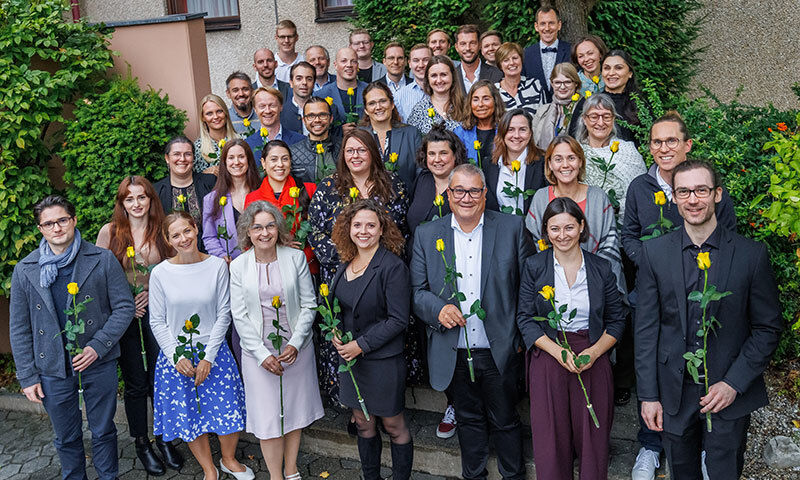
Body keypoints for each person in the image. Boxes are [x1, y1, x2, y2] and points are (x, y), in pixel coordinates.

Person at [635, 160, 782, 479]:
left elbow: (768, 328)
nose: (693, 199)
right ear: (673, 197)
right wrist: (648, 395)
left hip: (727, 393)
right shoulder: (654, 254)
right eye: (684, 191)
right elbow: (646, 330)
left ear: (717, 194)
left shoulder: (751, 255)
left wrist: (734, 383)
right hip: (673, 393)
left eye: (701, 190)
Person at [623, 112, 736, 480]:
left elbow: (728, 244)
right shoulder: (640, 187)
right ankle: (650, 446)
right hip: (656, 294)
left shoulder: (709, 189)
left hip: (704, 296)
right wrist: (656, 263)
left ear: (687, 145)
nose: (664, 147)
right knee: (657, 368)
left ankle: (705, 450)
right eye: (657, 141)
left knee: (700, 371)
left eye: (672, 141)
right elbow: (628, 236)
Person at [410, 163, 534, 480]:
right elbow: (417, 292)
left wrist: (519, 339)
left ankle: (513, 475)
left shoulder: (512, 228)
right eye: (459, 190)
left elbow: (527, 287)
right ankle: (474, 475)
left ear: (484, 194)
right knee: (468, 419)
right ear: (448, 194)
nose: (467, 197)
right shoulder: (427, 234)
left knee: (506, 420)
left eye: (474, 190)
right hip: (454, 349)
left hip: (499, 347)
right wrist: (437, 309)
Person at [10, 195, 135, 480]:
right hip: (52, 366)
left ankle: (108, 476)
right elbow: (19, 327)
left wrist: (98, 346)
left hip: (97, 362)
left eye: (62, 220)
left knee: (103, 430)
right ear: (40, 229)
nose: (57, 228)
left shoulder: (101, 259)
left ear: (74, 220)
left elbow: (124, 307)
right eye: (49, 223)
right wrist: (27, 376)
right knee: (66, 436)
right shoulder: (25, 270)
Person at [516, 196, 625, 480]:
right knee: (551, 441)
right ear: (546, 232)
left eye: (568, 227)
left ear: (581, 227)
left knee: (594, 440)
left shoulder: (601, 268)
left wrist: (593, 353)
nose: (562, 235)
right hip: (549, 354)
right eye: (554, 229)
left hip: (592, 353)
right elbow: (525, 319)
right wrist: (558, 352)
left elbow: (616, 320)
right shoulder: (534, 267)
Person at [309, 129, 409, 407]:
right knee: (344, 333)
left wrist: (374, 260)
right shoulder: (329, 187)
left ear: (373, 153)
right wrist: (349, 257)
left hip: (381, 273)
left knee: (379, 329)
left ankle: (381, 402)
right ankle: (352, 406)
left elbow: (400, 228)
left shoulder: (392, 185)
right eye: (349, 150)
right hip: (341, 271)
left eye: (362, 149)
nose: (355, 155)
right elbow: (316, 230)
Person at [149, 211, 252, 480]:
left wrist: (208, 357)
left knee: (226, 409)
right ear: (167, 239)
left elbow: (224, 313)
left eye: (187, 231)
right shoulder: (160, 273)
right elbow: (157, 321)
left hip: (213, 351)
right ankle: (209, 468)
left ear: (195, 229)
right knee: (188, 414)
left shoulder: (217, 266)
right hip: (177, 357)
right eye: (175, 235)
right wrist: (175, 356)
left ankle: (229, 459)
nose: (183, 238)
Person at [230, 201, 324, 480]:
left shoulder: (295, 259)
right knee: (268, 417)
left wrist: (296, 343)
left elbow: (309, 304)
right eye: (257, 227)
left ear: (278, 228)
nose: (264, 232)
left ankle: (292, 469)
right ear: (248, 231)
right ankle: (275, 475)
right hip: (258, 353)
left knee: (294, 411)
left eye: (270, 225)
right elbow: (240, 315)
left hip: (295, 348)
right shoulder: (238, 266)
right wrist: (262, 355)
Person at [95, 177, 181, 475]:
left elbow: (176, 270)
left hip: (158, 315)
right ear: (122, 203)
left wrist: (153, 292)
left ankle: (165, 438)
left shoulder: (162, 231)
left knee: (161, 379)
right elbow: (98, 278)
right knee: (135, 383)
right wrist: (125, 303)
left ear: (150, 199)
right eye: (129, 199)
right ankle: (142, 443)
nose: (136, 204)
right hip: (125, 318)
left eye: (142, 197)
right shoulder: (110, 233)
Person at [329, 199, 414, 480]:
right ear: (348, 229)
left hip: (382, 361)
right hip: (352, 363)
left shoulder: (392, 267)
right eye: (357, 225)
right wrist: (335, 331)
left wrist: (360, 345)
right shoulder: (345, 263)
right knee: (364, 424)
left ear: (381, 230)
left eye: (370, 225)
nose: (363, 231)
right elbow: (340, 307)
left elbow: (399, 319)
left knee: (393, 425)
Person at [405, 125, 468, 439]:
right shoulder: (422, 181)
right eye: (432, 153)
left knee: (455, 339)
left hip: (456, 272)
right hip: (422, 274)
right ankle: (450, 400)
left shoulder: (465, 184)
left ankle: (462, 405)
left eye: (444, 152)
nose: (438, 158)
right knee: (431, 341)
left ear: (455, 154)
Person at [526, 135, 625, 300]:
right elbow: (534, 244)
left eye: (571, 158)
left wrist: (590, 280)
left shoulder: (598, 198)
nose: (565, 165)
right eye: (558, 159)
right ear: (549, 164)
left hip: (596, 286)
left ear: (580, 162)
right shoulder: (540, 198)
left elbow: (610, 245)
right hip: (552, 287)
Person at [246, 140, 319, 275]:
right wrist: (280, 248)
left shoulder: (309, 190)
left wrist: (300, 255)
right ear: (263, 163)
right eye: (273, 159)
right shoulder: (253, 198)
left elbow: (319, 233)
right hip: (268, 270)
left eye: (285, 159)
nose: (280, 164)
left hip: (304, 267)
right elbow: (248, 242)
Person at [575, 93, 646, 220]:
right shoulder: (576, 153)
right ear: (584, 119)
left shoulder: (628, 151)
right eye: (594, 117)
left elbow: (640, 192)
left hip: (627, 223)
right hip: (586, 221)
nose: (600, 123)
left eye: (606, 117)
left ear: (613, 119)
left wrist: (614, 208)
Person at [153, 136, 217, 253]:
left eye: (187, 154)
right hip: (172, 255)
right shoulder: (157, 191)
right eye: (176, 154)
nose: (182, 159)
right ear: (167, 158)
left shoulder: (210, 183)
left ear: (193, 157)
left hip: (208, 253)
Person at [202, 139, 261, 263]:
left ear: (249, 160)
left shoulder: (262, 193)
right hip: (230, 267)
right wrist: (221, 256)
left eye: (241, 157)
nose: (236, 162)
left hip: (261, 262)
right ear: (224, 162)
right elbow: (209, 237)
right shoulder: (211, 200)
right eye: (231, 158)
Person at [359, 82, 422, 193]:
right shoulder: (358, 136)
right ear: (366, 110)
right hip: (368, 204)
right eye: (372, 103)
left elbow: (421, 172)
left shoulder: (411, 134)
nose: (378, 107)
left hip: (406, 202)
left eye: (383, 101)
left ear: (392, 104)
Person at [570, 49, 641, 144]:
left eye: (618, 68)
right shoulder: (589, 102)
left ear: (630, 73)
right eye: (607, 68)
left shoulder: (640, 106)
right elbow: (573, 139)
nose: (611, 73)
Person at [486, 109, 547, 215]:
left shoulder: (543, 163)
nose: (516, 135)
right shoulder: (489, 164)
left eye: (523, 129)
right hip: (499, 228)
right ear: (502, 132)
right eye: (510, 129)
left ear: (530, 133)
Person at [522, 7, 572, 102]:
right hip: (536, 112)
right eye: (543, 24)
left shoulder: (571, 51)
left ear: (559, 25)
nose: (547, 28)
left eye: (551, 23)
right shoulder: (526, 54)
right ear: (536, 27)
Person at [406, 55, 466, 134]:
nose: (439, 80)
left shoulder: (465, 106)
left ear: (453, 76)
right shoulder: (419, 110)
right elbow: (411, 141)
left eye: (443, 75)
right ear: (428, 79)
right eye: (434, 76)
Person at [289, 96, 342, 185]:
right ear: (304, 120)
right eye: (311, 116)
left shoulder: (344, 148)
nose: (317, 120)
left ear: (331, 118)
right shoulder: (292, 152)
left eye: (322, 115)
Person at [316, 47, 369, 134]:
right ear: (335, 65)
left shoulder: (369, 91)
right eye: (344, 61)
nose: (349, 65)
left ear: (358, 65)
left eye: (353, 61)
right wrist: (339, 132)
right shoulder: (321, 95)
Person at [531, 63, 581, 151]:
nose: (562, 87)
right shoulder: (542, 110)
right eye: (557, 82)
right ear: (552, 83)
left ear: (576, 83)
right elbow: (532, 141)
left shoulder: (583, 109)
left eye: (567, 82)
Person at [454, 80, 505, 166]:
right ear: (470, 103)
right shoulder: (460, 133)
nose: (480, 104)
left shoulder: (505, 130)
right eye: (475, 99)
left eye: (486, 99)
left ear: (495, 101)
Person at [244, 86, 304, 159]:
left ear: (281, 107)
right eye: (262, 106)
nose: (267, 111)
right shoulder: (247, 145)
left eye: (272, 105)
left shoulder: (300, 141)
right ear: (255, 109)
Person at [495, 42, 547, 115]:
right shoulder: (494, 91)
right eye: (506, 60)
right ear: (500, 65)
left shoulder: (535, 86)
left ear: (521, 60)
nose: (512, 63)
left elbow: (544, 117)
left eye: (515, 58)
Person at [194, 94, 240, 175]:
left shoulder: (241, 140)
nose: (215, 117)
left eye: (219, 111)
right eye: (209, 113)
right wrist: (204, 174)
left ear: (225, 113)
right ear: (203, 118)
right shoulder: (197, 148)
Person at [453, 25, 503, 95]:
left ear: (479, 45)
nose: (468, 48)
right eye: (463, 44)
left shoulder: (498, 74)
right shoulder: (451, 76)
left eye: (472, 43)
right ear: (457, 47)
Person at [394, 44, 432, 121]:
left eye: (425, 60)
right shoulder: (399, 96)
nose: (421, 65)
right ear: (410, 64)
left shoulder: (445, 92)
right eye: (416, 60)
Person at [280, 61, 317, 135]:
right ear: (291, 83)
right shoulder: (281, 112)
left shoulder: (327, 109)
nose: (304, 83)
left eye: (309, 79)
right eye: (299, 78)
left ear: (314, 83)